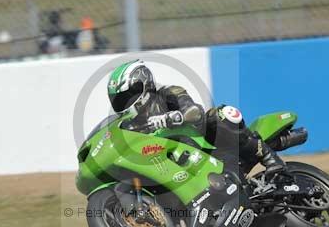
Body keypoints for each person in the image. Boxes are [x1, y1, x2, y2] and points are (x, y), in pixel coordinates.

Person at [106, 60, 286, 178]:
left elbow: (194, 111)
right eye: (120, 100)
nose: (126, 103)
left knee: (222, 114)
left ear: (143, 84)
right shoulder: (132, 124)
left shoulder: (168, 93)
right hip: (175, 167)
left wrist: (170, 118)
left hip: (207, 146)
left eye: (128, 96)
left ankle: (270, 158)